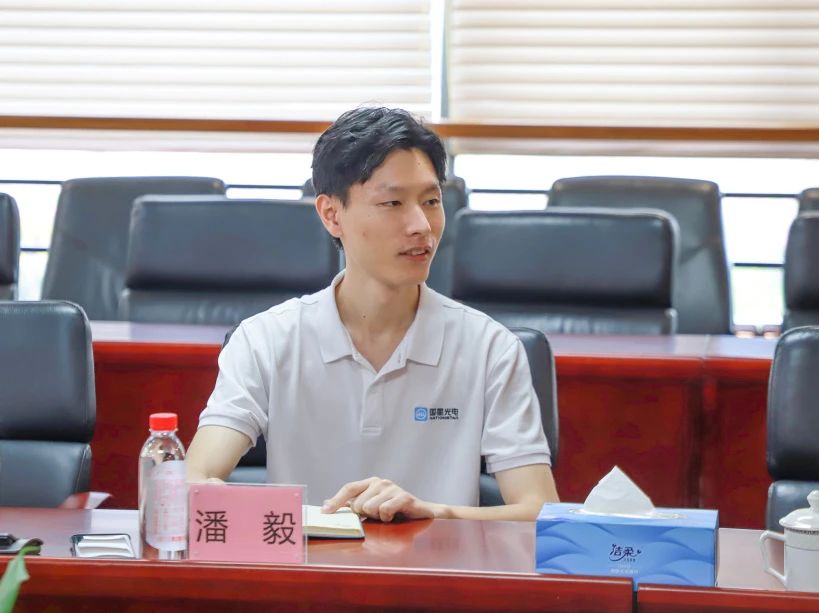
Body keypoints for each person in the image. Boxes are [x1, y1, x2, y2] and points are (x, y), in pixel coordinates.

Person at [186, 107, 558, 521]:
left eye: (431, 201)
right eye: (392, 202)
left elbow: (539, 512)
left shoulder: (491, 348)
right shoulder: (264, 340)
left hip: (440, 562)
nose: (421, 225)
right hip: (307, 562)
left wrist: (433, 514)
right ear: (332, 215)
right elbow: (195, 479)